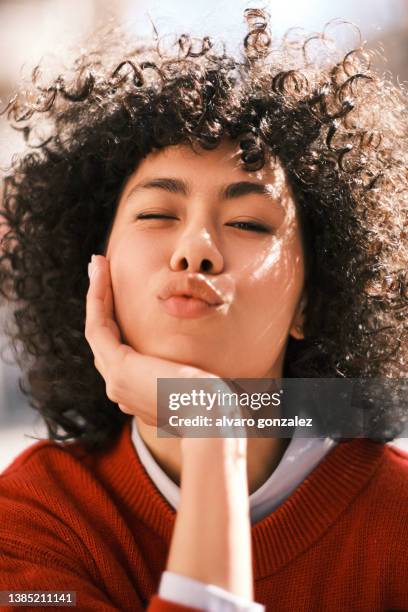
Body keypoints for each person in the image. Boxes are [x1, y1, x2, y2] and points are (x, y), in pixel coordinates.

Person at [0, 7, 407, 611]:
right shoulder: (31, 519)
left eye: (246, 222)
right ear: (95, 269)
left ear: (313, 303)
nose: (196, 251)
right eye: (157, 214)